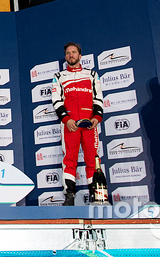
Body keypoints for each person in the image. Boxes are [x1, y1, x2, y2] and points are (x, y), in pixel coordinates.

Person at [50, 42, 104, 205]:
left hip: (89, 124)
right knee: (70, 159)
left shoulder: (92, 75)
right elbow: (56, 101)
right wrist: (66, 120)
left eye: (73, 52)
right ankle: (69, 195)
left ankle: (97, 195)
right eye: (68, 53)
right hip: (70, 125)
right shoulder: (59, 77)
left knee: (92, 159)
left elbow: (99, 98)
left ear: (80, 56)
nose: (71, 55)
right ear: (65, 56)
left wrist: (97, 117)